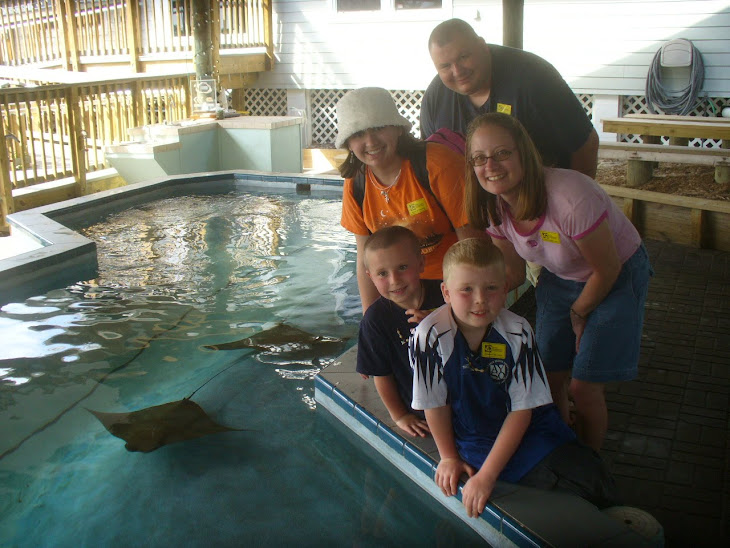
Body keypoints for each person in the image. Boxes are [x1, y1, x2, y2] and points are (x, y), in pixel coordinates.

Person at [464, 112, 652, 452]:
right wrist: (470, 312)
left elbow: (606, 269)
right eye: (479, 158)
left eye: (502, 153)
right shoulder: (493, 206)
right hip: (562, 275)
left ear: (524, 152)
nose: (490, 165)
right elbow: (513, 274)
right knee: (548, 374)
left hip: (618, 272)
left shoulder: (569, 195)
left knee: (583, 386)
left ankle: (591, 464)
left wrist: (579, 313)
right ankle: (563, 446)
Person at [410, 238, 617, 518]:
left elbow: (522, 410)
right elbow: (434, 404)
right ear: (446, 292)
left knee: (595, 481)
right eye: (466, 290)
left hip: (529, 426)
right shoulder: (428, 337)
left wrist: (487, 476)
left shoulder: (518, 330)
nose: (480, 299)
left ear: (506, 288)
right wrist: (448, 457)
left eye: (491, 288)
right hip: (476, 435)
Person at [337, 86, 480, 312]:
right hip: (396, 288)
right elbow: (365, 259)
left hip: (452, 283)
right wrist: (370, 318)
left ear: (398, 129)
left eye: (378, 128)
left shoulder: (437, 164)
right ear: (348, 144)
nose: (370, 141)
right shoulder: (356, 183)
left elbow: (472, 245)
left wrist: (455, 307)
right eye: (358, 134)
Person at [421, 18, 599, 179]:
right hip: (474, 204)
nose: (458, 71)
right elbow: (430, 161)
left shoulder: (534, 77)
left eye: (463, 57)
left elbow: (585, 143)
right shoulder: (435, 97)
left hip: (545, 195)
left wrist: (576, 198)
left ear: (482, 46)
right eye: (445, 66)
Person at [357, 226, 445, 438]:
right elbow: (381, 374)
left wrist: (441, 326)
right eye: (382, 273)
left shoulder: (447, 295)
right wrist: (399, 416)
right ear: (370, 276)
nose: (395, 280)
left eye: (403, 267)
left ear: (421, 263)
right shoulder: (376, 320)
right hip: (420, 406)